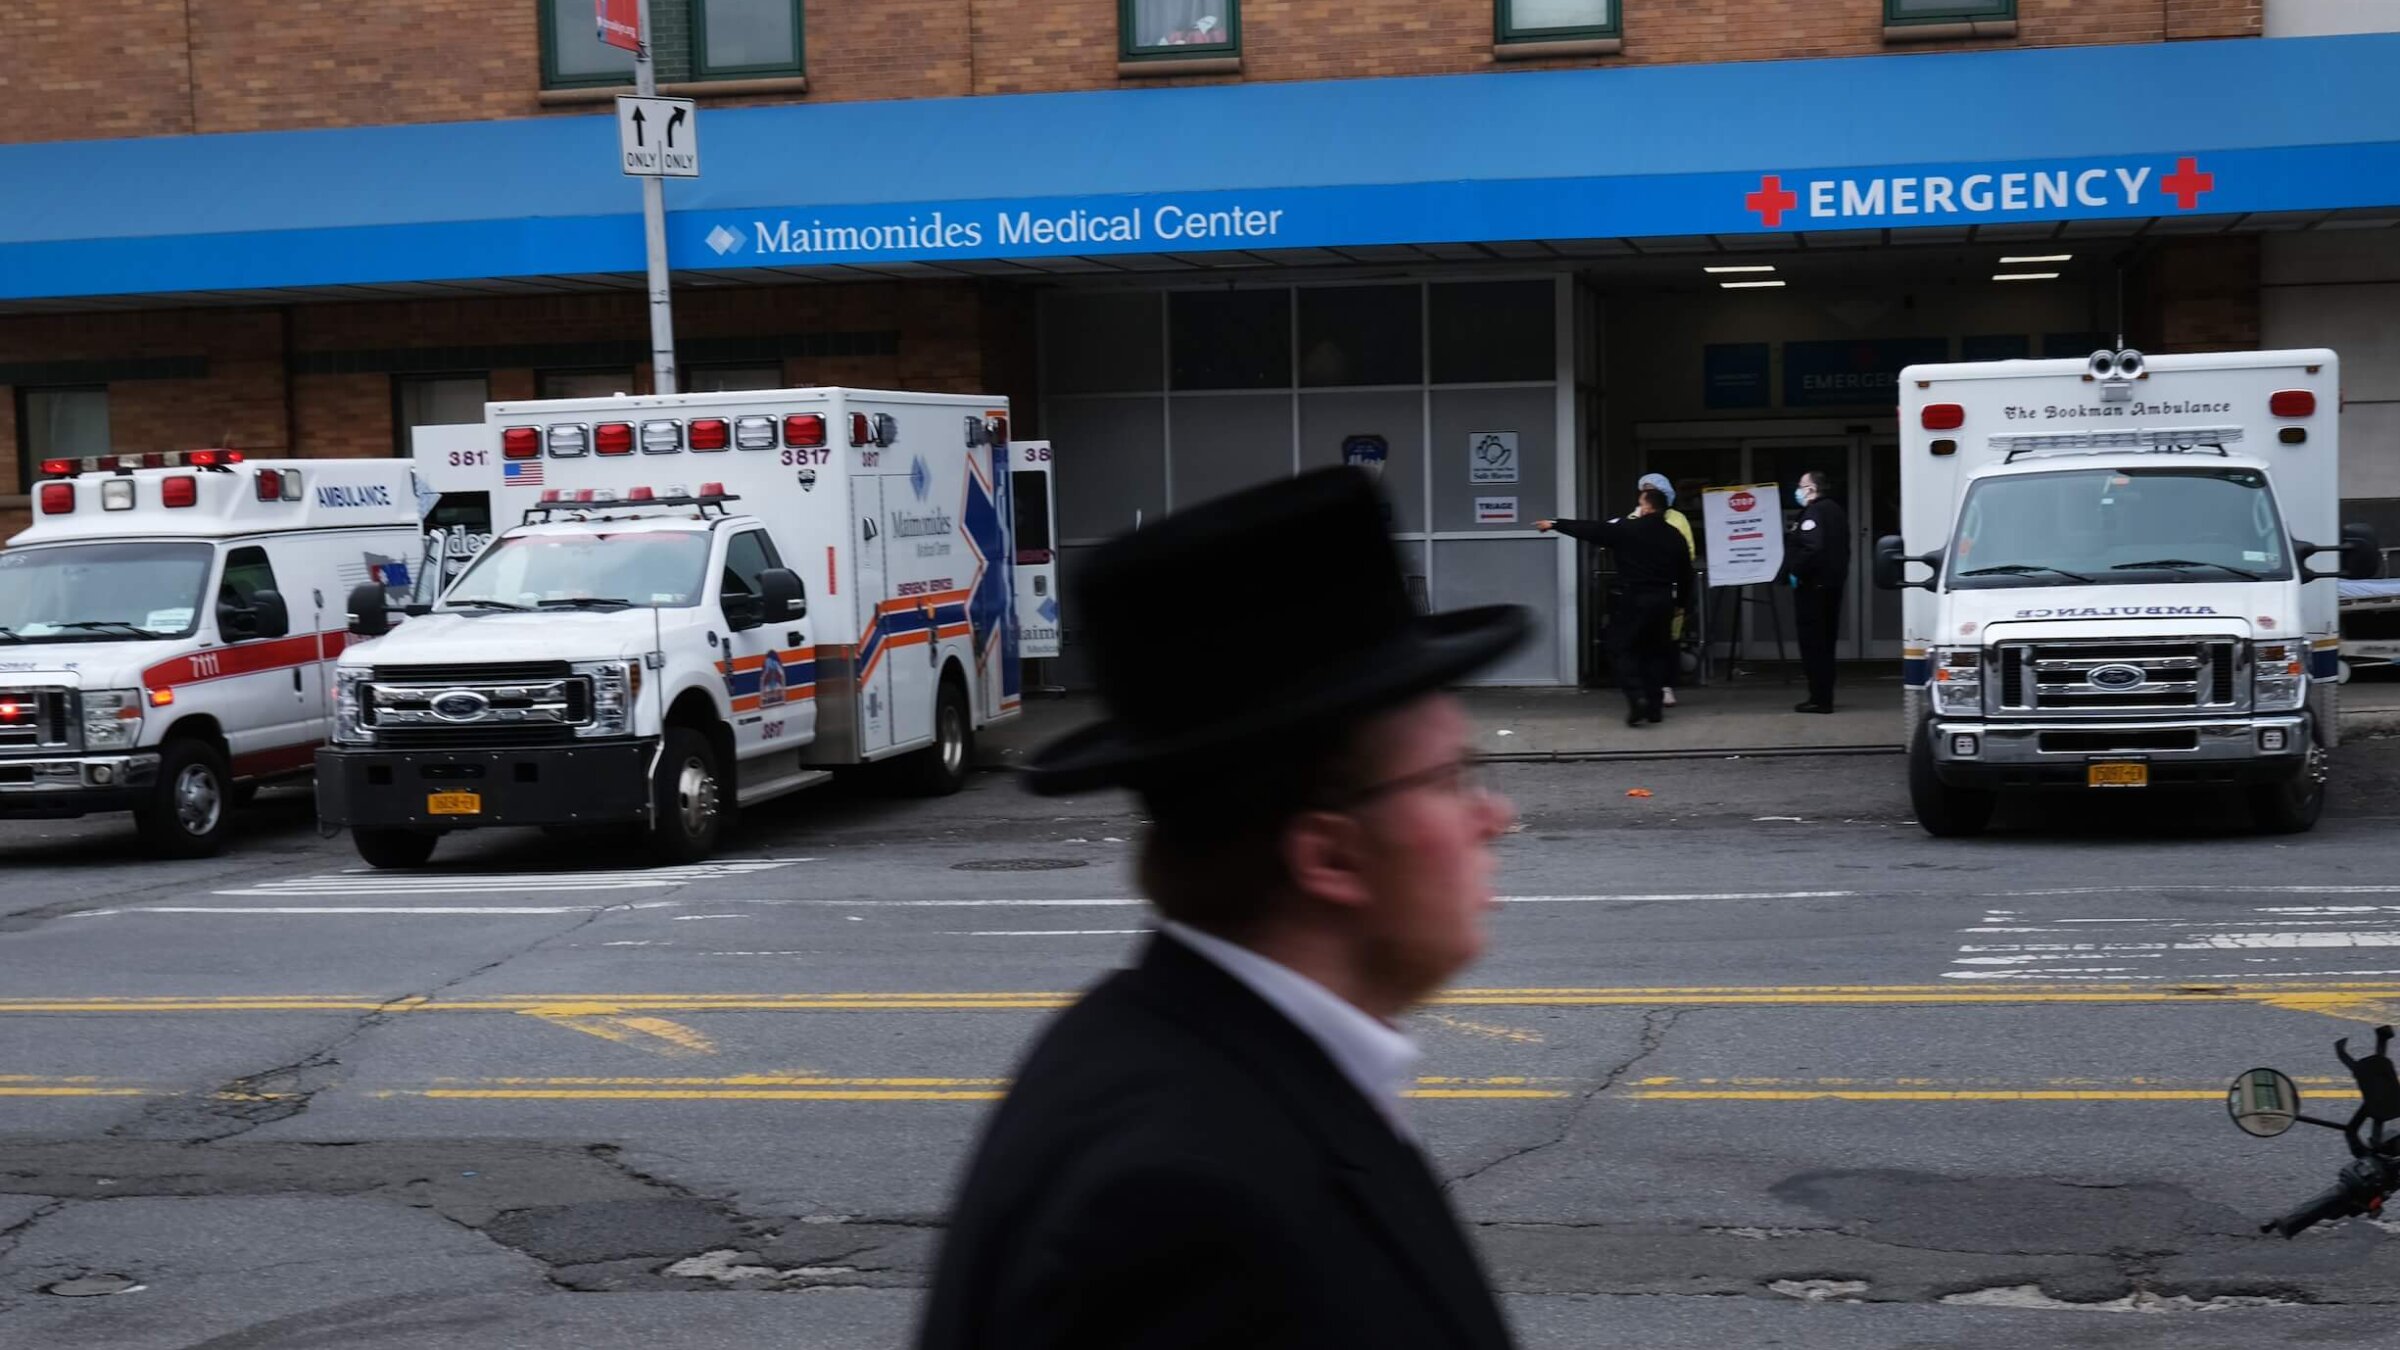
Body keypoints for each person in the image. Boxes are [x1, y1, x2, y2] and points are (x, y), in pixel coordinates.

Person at [918, 466, 1527, 1350]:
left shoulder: (1166, 1052)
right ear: (1329, 855)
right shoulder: (1190, 1213)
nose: (1494, 815)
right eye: (1450, 779)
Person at [1536, 488, 1694, 727]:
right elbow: (1686, 575)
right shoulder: (1674, 536)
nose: (1638, 507)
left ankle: (1636, 696)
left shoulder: (1628, 529)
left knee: (1620, 647)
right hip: (1663, 600)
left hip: (1635, 597)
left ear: (1649, 507)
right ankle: (1654, 707)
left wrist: (1556, 524)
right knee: (1655, 652)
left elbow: (1592, 529)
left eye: (1640, 503)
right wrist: (1681, 603)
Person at [1781, 469, 1851, 714]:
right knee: (1826, 644)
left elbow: (1813, 547)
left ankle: (1819, 699)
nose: (1798, 490)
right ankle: (1824, 695)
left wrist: (1795, 570)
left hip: (1813, 589)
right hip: (1831, 587)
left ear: (1811, 489)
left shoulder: (1814, 512)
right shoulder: (1836, 511)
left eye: (1801, 485)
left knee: (1813, 645)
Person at [1637, 472, 1697, 707]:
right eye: (1644, 489)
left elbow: (1687, 553)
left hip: (1668, 588)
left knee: (1669, 639)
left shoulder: (1677, 519)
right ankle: (1645, 686)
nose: (1646, 494)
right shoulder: (1635, 516)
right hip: (1643, 588)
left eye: (1651, 489)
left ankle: (1666, 685)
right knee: (1643, 639)